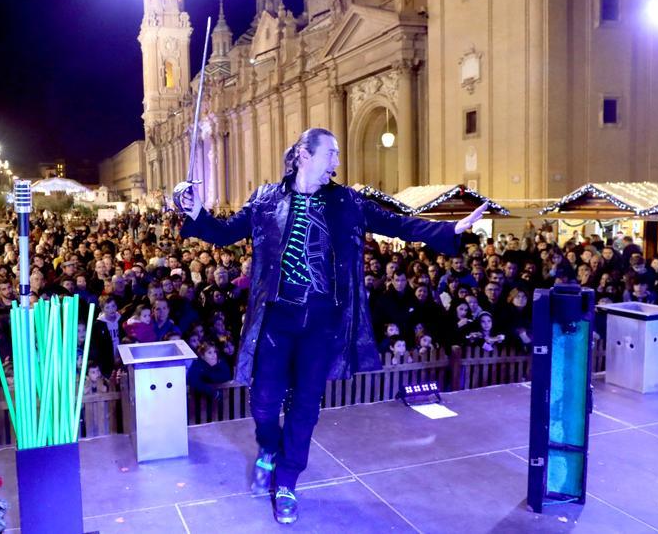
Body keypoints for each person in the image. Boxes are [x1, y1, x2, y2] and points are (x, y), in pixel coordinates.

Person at [175, 127, 487, 524]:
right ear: (304, 155)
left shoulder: (346, 202)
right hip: (276, 318)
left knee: (306, 406)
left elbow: (397, 224)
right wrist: (194, 209)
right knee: (264, 402)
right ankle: (268, 449)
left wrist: (448, 230)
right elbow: (221, 233)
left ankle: (287, 481)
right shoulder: (266, 200)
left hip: (322, 322)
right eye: (331, 154)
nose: (337, 163)